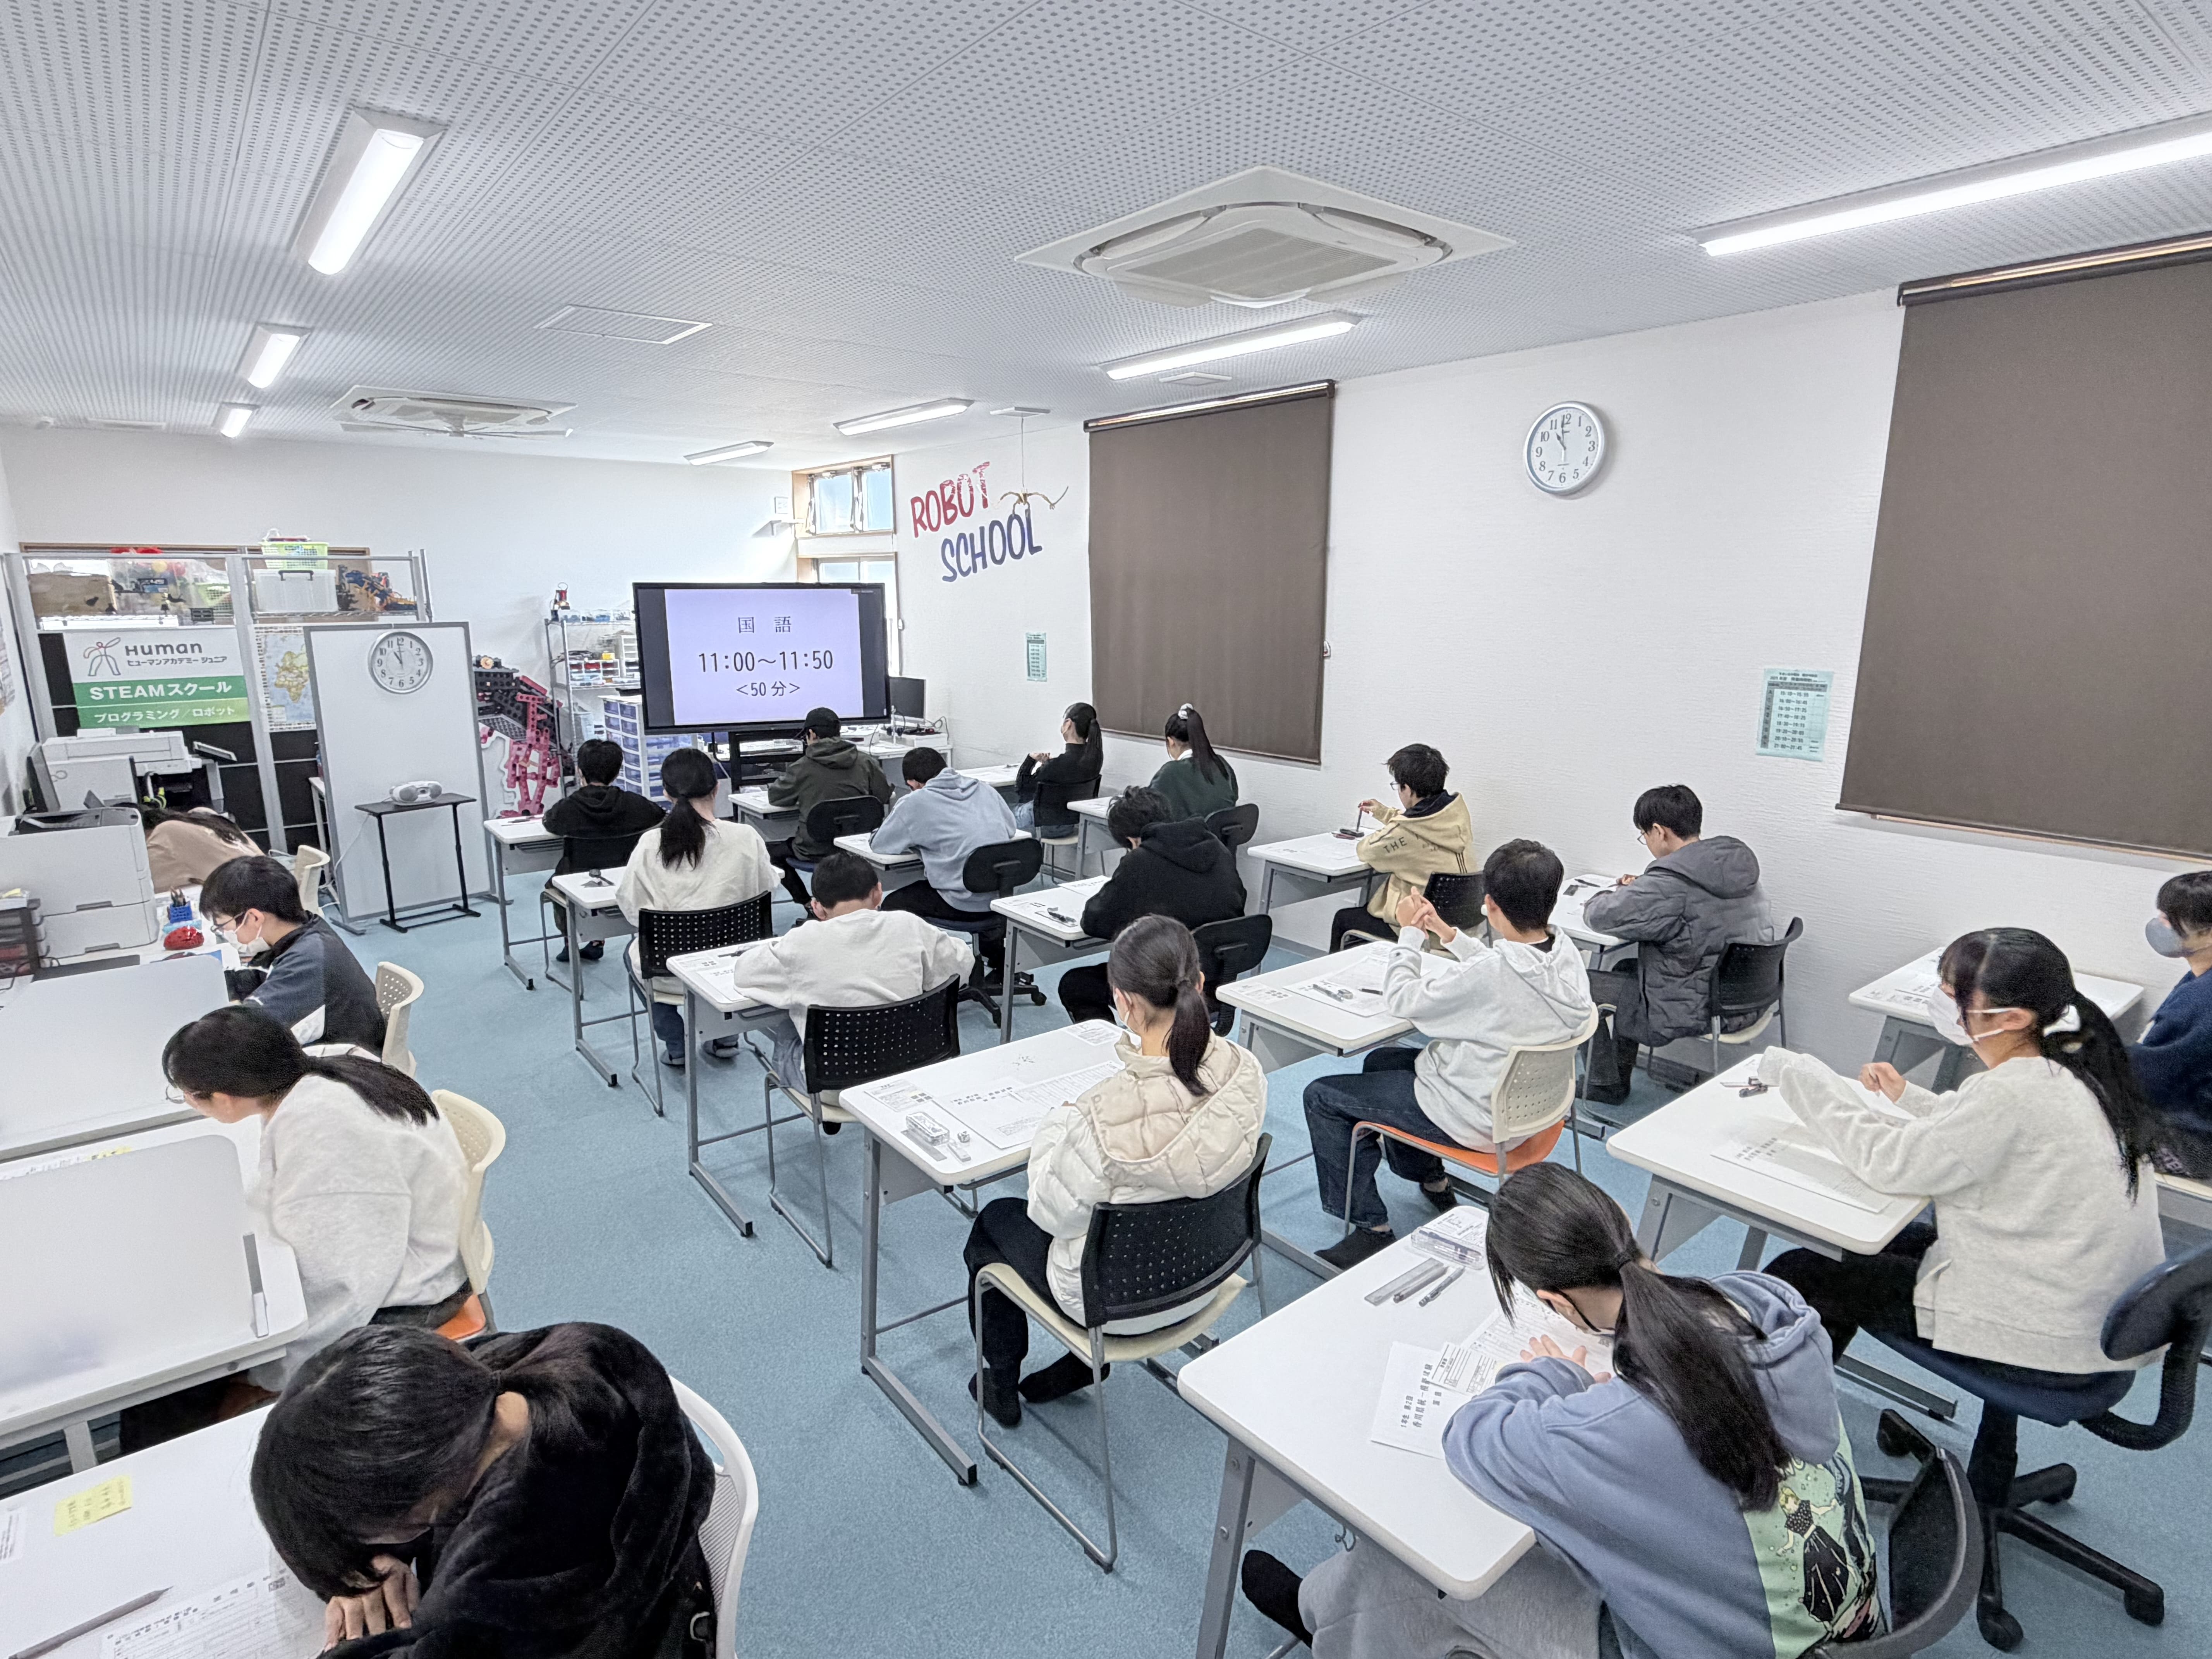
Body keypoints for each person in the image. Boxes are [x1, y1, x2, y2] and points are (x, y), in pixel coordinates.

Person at [1243, 1164, 1881, 1659]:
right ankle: (1328, 1607)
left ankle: (1318, 1616)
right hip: (1847, 1615)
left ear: (1554, 1301)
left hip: (1719, 1644)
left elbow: (1473, 1438)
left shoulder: (1609, 1427)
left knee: (1406, 1566)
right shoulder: (1765, 1303)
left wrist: (1556, 1369)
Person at [1757, 927, 2166, 1377]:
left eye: (1953, 996)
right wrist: (1909, 1097)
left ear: (2010, 1018)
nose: (1940, 1002)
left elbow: (1889, 1163)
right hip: (2093, 1305)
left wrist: (1798, 1073)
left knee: (1802, 1271)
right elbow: (1983, 1131)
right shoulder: (2077, 1064)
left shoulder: (2013, 1093)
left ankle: (1779, 1419)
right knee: (1855, 1248)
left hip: (2049, 1330)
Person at [251, 1322, 713, 1657]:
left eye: (363, 1534)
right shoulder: (497, 1375)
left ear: (416, 1510)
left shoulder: (505, 1575)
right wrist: (363, 1571)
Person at [963, 917, 1265, 1426]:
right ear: (1200, 984)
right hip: (1202, 1279)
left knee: (995, 1223)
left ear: (1123, 1002)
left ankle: (1000, 1379)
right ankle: (1080, 1365)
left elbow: (1049, 1214)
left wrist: (1059, 1126)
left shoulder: (1099, 1118)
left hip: (1110, 1304)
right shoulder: (1245, 1069)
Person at [125, 1005, 467, 1451]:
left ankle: (177, 1468)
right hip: (400, 1256)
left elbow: (342, 1289)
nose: (191, 1104)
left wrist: (269, 1376)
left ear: (224, 1098)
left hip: (411, 1297)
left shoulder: (326, 1130)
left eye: (191, 1096)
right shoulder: (327, 1069)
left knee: (180, 1378)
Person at [1304, 839, 1595, 1270]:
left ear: (1490, 905)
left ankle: (1371, 1228)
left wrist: (1409, 935)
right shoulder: (1566, 956)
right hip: (1532, 1112)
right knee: (1383, 1062)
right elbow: (1508, 968)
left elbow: (1405, 1000)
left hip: (1474, 1119)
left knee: (1322, 1095)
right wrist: (1448, 935)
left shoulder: (1491, 976)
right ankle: (1431, 1176)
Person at [722, 848, 973, 1101]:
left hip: (835, 1087)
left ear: (817, 908)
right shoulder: (909, 925)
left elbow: (744, 974)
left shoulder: (800, 942)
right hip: (914, 1066)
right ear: (878, 893)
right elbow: (962, 966)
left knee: (789, 1019)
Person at [1580, 784, 1772, 1103]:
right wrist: (1648, 888)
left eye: (1645, 836)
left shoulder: (1671, 884)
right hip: (1749, 997)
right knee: (1627, 968)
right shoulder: (1736, 867)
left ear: (1659, 832)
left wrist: (1611, 894)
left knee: (1580, 984)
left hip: (1697, 1007)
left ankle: (1604, 1085)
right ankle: (1614, 1074)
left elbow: (1601, 917)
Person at [617, 748, 775, 1067]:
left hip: (670, 969)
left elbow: (633, 910)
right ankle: (726, 1035)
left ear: (665, 793)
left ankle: (677, 1043)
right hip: (735, 967)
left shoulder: (651, 844)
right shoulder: (746, 837)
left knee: (632, 954)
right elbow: (766, 888)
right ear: (717, 788)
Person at [1057, 786, 1245, 1026]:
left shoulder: (1140, 861)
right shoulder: (1217, 847)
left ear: (1132, 840)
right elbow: (1237, 901)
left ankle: (1113, 1052)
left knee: (1076, 985)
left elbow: (1095, 922)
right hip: (1215, 981)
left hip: (1167, 990)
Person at [203, 854, 386, 1051]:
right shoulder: (304, 930)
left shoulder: (308, 961)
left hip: (347, 1063)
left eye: (222, 925)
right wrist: (216, 984)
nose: (225, 933)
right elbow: (264, 977)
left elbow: (252, 1036)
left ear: (254, 918)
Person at [874, 745, 1019, 978]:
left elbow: (881, 844)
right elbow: (1011, 828)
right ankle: (996, 958)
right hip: (999, 898)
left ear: (914, 784)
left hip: (959, 902)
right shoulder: (984, 789)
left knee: (892, 905)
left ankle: (910, 974)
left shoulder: (916, 801)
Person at [1331, 743, 1474, 952]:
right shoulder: (1456, 814)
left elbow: (1367, 850)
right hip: (1463, 929)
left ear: (1407, 788)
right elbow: (1417, 823)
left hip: (1425, 931)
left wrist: (1394, 821)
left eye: (1398, 786)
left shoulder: (1404, 831)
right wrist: (1386, 814)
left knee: (1344, 918)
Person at [541, 737, 663, 964]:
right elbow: (658, 816)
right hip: (627, 880)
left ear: (580, 772)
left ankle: (571, 941)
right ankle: (598, 941)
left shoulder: (568, 807)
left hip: (578, 882)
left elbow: (549, 823)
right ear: (617, 772)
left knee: (555, 884)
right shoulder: (634, 803)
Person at [764, 706, 891, 905]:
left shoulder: (802, 767)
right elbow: (883, 797)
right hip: (860, 846)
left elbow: (776, 798)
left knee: (767, 853)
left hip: (814, 849)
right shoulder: (866, 761)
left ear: (812, 734)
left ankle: (807, 903)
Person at [2133, 869, 2212, 1175]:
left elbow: (2150, 1080)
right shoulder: (2201, 977)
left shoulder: (2201, 1002)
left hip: (2197, 1142)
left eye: (2171, 919)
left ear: (2208, 933)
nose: (2160, 925)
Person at [1013, 701, 1103, 836]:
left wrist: (1031, 760)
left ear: (1068, 724)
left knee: (1000, 808)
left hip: (1042, 827)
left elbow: (1022, 789)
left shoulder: (1057, 764)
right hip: (1072, 825)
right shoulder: (1095, 760)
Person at [1147, 702, 1237, 821]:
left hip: (1188, 838)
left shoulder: (1170, 772)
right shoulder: (1222, 764)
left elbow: (1147, 808)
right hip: (1220, 838)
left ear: (1171, 742)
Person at [139, 802, 255, 890]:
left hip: (251, 893)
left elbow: (143, 886)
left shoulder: (167, 832)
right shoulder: (204, 814)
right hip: (266, 878)